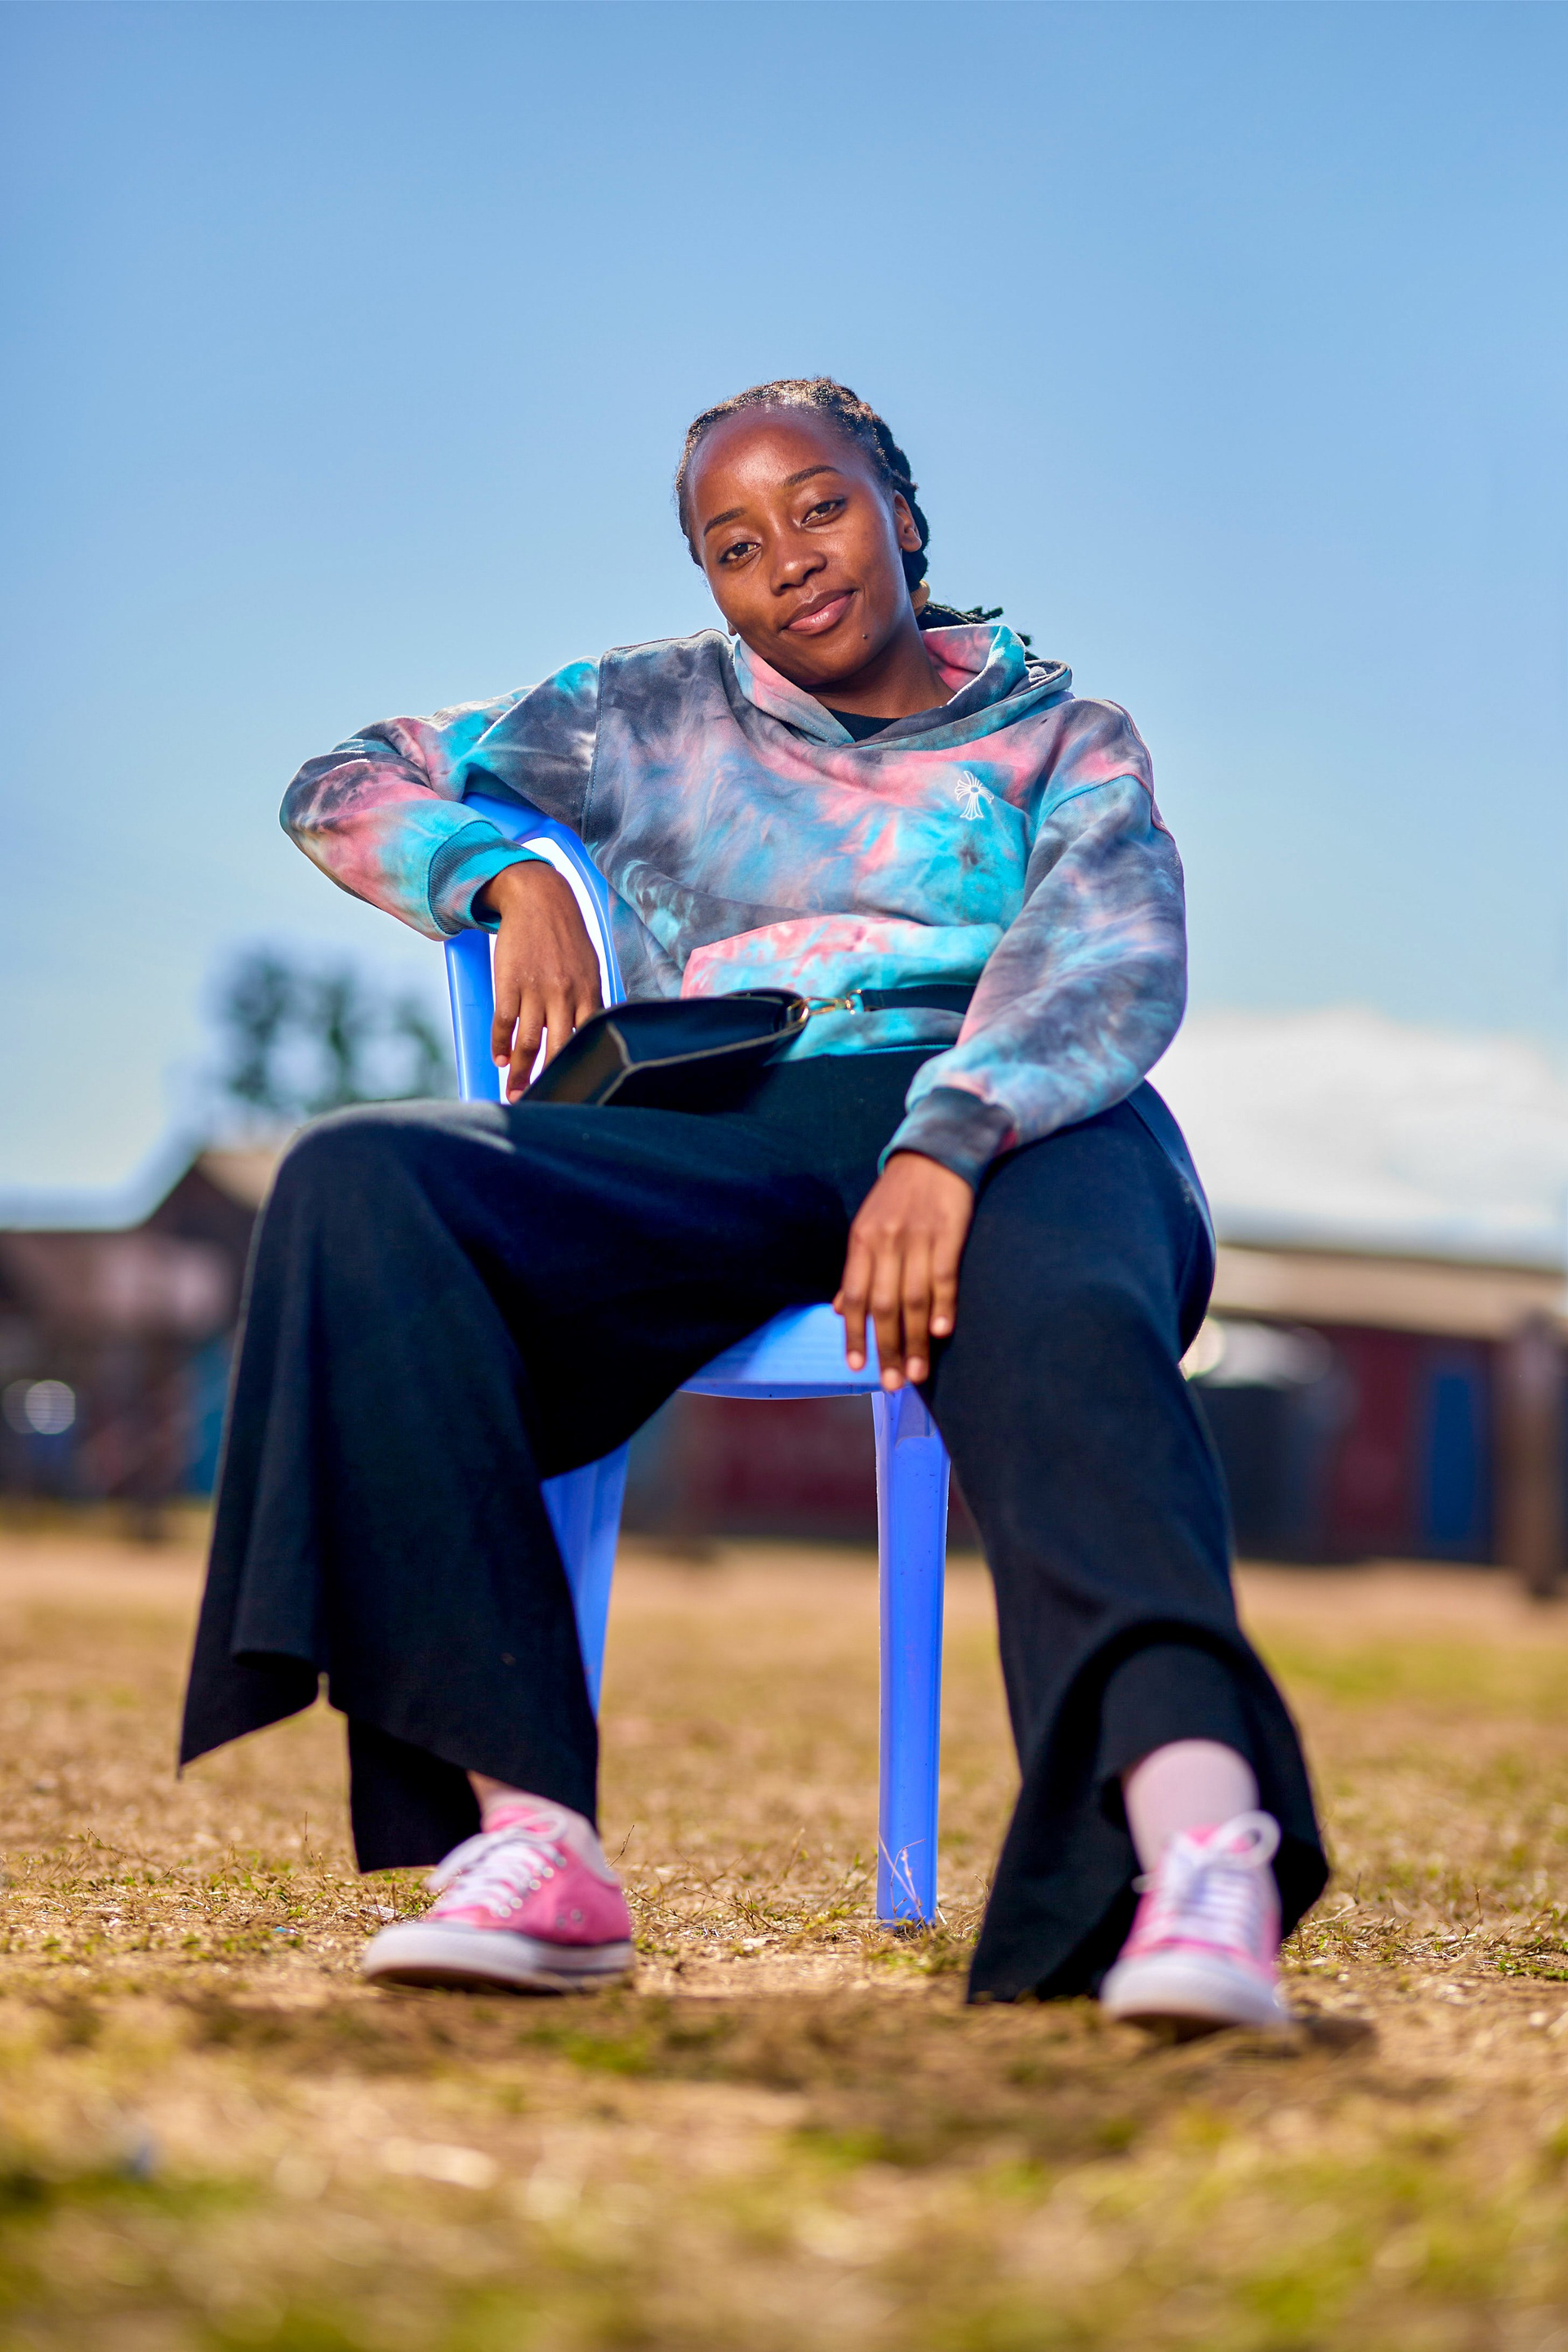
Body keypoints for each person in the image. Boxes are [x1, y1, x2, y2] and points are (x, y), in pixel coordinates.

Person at [180, 377, 1326, 2032]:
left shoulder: (1065, 737)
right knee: (364, 1182)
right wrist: (499, 872)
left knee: (1071, 1313)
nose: (786, 557)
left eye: (820, 506)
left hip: (1021, 1112)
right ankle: (532, 1841)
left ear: (902, 516)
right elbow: (342, 779)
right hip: (736, 1118)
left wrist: (946, 1144)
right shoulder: (639, 713)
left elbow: (1111, 960)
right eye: (734, 543)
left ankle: (1197, 1852)